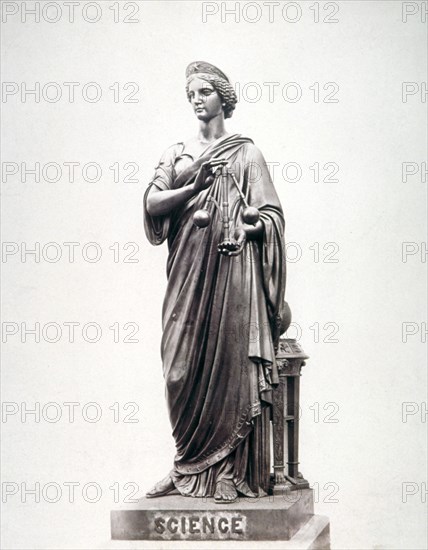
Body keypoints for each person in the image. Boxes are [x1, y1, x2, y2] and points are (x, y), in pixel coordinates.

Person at [143, 61, 287, 503]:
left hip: (232, 272)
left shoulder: (247, 154)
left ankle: (228, 472)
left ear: (223, 98)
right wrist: (193, 187)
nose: (196, 100)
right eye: (190, 94)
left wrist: (250, 230)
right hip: (187, 272)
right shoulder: (177, 153)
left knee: (230, 364)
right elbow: (152, 202)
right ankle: (186, 462)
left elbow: (272, 216)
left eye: (203, 92)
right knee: (178, 367)